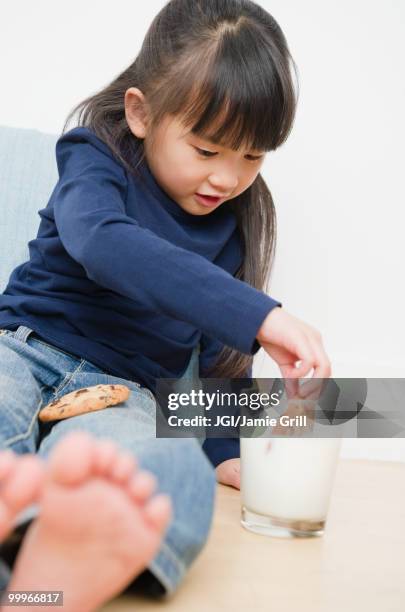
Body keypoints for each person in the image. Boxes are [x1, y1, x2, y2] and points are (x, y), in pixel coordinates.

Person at [0, 0, 330, 607]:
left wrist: (226, 452)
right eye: (207, 151)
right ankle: (23, 537)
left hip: (123, 392)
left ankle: (40, 583)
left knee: (164, 473)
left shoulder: (232, 230)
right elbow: (103, 242)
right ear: (141, 113)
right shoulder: (93, 157)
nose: (229, 179)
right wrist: (259, 313)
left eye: (252, 156)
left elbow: (221, 359)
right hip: (20, 350)